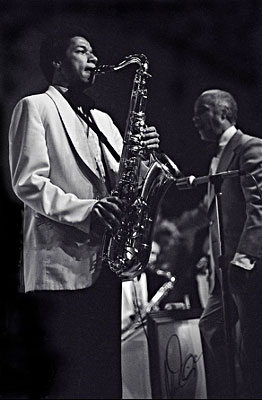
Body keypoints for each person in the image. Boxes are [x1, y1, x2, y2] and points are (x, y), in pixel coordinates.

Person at [8, 24, 160, 399]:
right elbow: (28, 183)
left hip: (103, 265)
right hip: (59, 268)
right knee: (66, 383)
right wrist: (88, 210)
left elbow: (129, 181)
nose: (94, 58)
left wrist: (145, 155)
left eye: (92, 51)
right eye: (82, 51)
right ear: (57, 62)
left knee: (104, 376)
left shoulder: (102, 119)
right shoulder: (35, 106)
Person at [181, 89, 262, 399]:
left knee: (252, 347)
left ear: (223, 113)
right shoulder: (219, 154)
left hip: (245, 267)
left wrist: (245, 257)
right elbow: (208, 211)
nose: (194, 118)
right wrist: (173, 226)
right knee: (213, 329)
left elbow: (259, 206)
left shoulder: (248, 147)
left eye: (201, 111)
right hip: (225, 270)